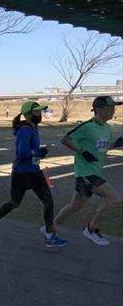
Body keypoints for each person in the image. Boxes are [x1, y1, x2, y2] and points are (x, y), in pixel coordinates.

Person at [0, 101, 67, 248]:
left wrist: (40, 152)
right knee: (46, 202)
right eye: (36, 112)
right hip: (28, 172)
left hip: (24, 171)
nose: (39, 114)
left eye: (40, 111)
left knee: (15, 203)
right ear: (27, 114)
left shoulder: (33, 127)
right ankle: (50, 237)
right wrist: (42, 151)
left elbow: (28, 151)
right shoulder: (26, 130)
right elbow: (22, 152)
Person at [53, 96, 123, 246]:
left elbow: (103, 148)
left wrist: (116, 144)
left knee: (75, 206)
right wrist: (82, 151)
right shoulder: (86, 126)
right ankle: (90, 229)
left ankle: (51, 228)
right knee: (114, 198)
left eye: (114, 107)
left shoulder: (108, 128)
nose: (113, 110)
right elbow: (65, 139)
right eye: (110, 107)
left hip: (95, 172)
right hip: (86, 174)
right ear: (98, 109)